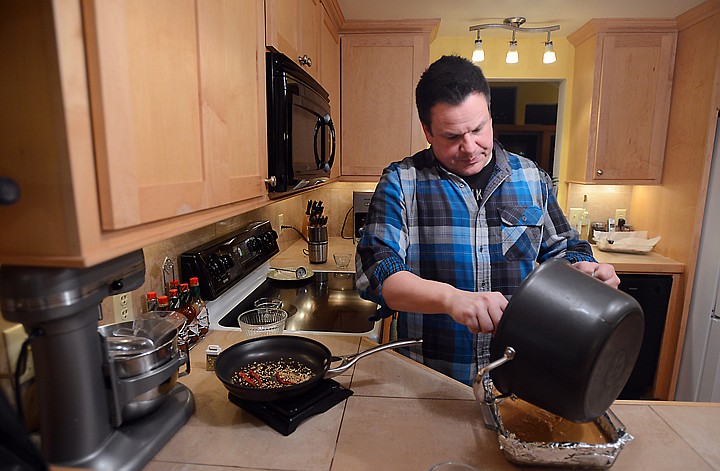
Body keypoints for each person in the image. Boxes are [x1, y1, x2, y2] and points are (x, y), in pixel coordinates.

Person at [355, 55, 620, 386]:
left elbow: (566, 248)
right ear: (427, 131)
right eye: (452, 136)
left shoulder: (532, 178)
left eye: (478, 129)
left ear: (490, 117)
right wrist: (452, 299)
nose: (470, 148)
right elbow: (376, 273)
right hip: (431, 377)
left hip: (517, 373)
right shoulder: (402, 181)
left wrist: (585, 270)